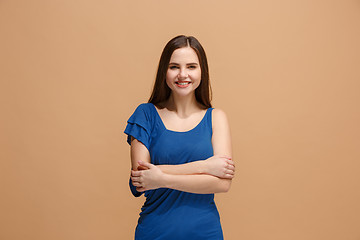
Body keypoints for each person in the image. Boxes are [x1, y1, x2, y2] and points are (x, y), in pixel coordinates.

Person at [124, 35, 235, 240]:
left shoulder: (216, 118)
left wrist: (161, 178)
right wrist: (205, 167)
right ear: (164, 71)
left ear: (202, 71)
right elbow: (141, 178)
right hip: (154, 232)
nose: (183, 74)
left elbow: (222, 184)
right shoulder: (145, 115)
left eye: (191, 66)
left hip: (205, 232)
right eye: (174, 66)